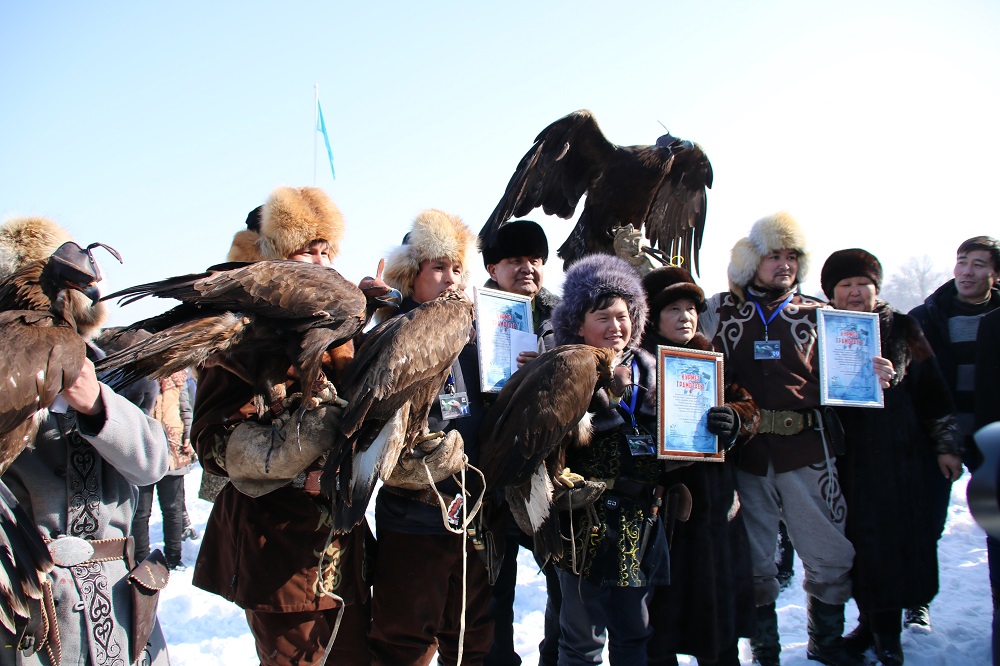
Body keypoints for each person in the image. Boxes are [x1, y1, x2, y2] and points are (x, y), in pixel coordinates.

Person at [700, 212, 893, 666]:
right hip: (745, 454)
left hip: (807, 451)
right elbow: (674, 319)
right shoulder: (722, 310)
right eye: (773, 255)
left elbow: (853, 368)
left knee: (829, 552)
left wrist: (878, 371)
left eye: (792, 256)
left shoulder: (820, 315)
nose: (783, 264)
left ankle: (824, 642)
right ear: (753, 259)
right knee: (754, 558)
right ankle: (765, 649)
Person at [191, 186, 373, 666]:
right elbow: (209, 439)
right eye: (303, 251)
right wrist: (286, 459)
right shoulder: (240, 333)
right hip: (274, 543)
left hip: (340, 545)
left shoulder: (343, 333)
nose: (317, 262)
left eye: (324, 250)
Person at [0, 216, 171, 665]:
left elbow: (153, 464)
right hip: (31, 606)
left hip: (117, 600)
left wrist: (98, 404)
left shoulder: (115, 367)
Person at [820, 249, 964, 665]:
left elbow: (933, 389)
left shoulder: (903, 327)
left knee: (903, 539)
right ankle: (874, 624)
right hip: (850, 459)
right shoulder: (820, 331)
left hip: (904, 455)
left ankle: (890, 627)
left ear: (875, 288)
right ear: (832, 292)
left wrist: (946, 445)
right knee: (862, 544)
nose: (853, 292)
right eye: (844, 285)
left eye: (861, 284)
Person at [368, 208, 494, 665]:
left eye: (457, 268)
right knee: (404, 639)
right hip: (414, 511)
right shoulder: (391, 332)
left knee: (471, 634)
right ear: (411, 275)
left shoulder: (477, 334)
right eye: (438, 267)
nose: (450, 279)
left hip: (472, 505)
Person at [547, 253, 669, 665]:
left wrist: (716, 428)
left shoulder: (656, 370)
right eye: (603, 317)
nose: (616, 326)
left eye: (623, 316)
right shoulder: (563, 370)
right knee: (581, 641)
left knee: (634, 633)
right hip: (585, 521)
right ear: (578, 324)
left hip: (640, 519)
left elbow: (680, 441)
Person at [640, 265, 758, 666]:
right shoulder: (639, 362)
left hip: (716, 502)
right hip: (665, 506)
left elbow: (748, 405)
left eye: (691, 308)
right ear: (653, 315)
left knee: (716, 597)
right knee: (664, 605)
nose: (685, 316)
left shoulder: (712, 357)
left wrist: (735, 419)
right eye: (673, 308)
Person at [480, 220, 562, 666]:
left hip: (548, 472)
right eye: (515, 260)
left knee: (563, 583)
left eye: (535, 260)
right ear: (493, 266)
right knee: (493, 591)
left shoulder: (564, 317)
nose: (527, 268)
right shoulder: (470, 314)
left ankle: (555, 658)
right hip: (489, 475)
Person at [908, 235, 1000, 631]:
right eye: (962, 261)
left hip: (992, 435)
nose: (967, 270)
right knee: (925, 521)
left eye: (979, 264)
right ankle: (917, 599)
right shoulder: (926, 317)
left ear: (995, 274)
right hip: (937, 433)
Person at [131, 370, 195, 570]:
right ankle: (141, 558)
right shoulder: (137, 377)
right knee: (141, 511)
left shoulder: (178, 378)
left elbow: (185, 409)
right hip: (144, 450)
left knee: (173, 509)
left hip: (173, 450)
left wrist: (188, 435)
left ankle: (174, 558)